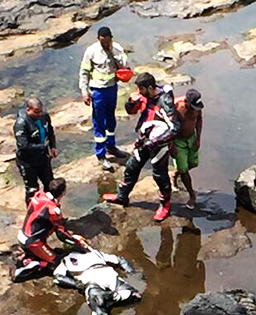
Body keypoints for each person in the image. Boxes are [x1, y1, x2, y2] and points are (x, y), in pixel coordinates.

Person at [102, 73, 180, 222]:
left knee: (160, 175)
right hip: (144, 140)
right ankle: (122, 196)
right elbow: (131, 112)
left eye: (141, 89)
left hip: (160, 145)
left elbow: (175, 129)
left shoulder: (165, 101)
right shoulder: (144, 97)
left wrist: (156, 141)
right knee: (131, 167)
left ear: (150, 88)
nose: (139, 92)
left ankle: (165, 206)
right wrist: (131, 102)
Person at [53, 248, 142, 315]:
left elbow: (58, 278)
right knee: (134, 294)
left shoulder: (65, 261)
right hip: (109, 274)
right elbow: (120, 260)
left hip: (90, 278)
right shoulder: (95, 252)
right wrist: (133, 273)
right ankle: (118, 296)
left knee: (94, 296)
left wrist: (78, 285)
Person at [14, 178, 88, 282]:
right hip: (33, 242)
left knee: (50, 252)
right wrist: (75, 240)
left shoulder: (39, 195)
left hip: (23, 235)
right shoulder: (53, 211)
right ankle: (28, 267)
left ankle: (28, 257)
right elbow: (61, 233)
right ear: (64, 192)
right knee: (57, 263)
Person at [79, 26, 129, 171]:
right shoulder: (91, 51)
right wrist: (84, 91)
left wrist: (114, 52)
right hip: (97, 90)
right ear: (98, 39)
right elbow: (84, 72)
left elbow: (125, 66)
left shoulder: (117, 48)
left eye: (107, 41)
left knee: (111, 119)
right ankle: (101, 154)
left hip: (112, 88)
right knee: (99, 121)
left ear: (110, 38)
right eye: (102, 41)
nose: (104, 44)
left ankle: (111, 146)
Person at [14, 98, 58, 205]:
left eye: (40, 111)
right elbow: (23, 146)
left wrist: (52, 147)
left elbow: (50, 132)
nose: (39, 114)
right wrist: (42, 146)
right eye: (36, 112)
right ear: (28, 110)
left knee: (50, 185)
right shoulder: (21, 123)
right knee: (32, 190)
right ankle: (32, 213)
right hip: (27, 162)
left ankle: (51, 209)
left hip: (43, 158)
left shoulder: (44, 117)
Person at [169, 89, 203, 209]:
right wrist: (171, 145)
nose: (195, 109)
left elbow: (199, 120)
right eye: (192, 106)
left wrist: (198, 138)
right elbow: (169, 125)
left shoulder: (197, 107)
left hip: (191, 138)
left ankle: (174, 174)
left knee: (193, 163)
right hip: (178, 141)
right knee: (184, 171)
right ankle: (192, 195)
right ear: (186, 101)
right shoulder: (176, 105)